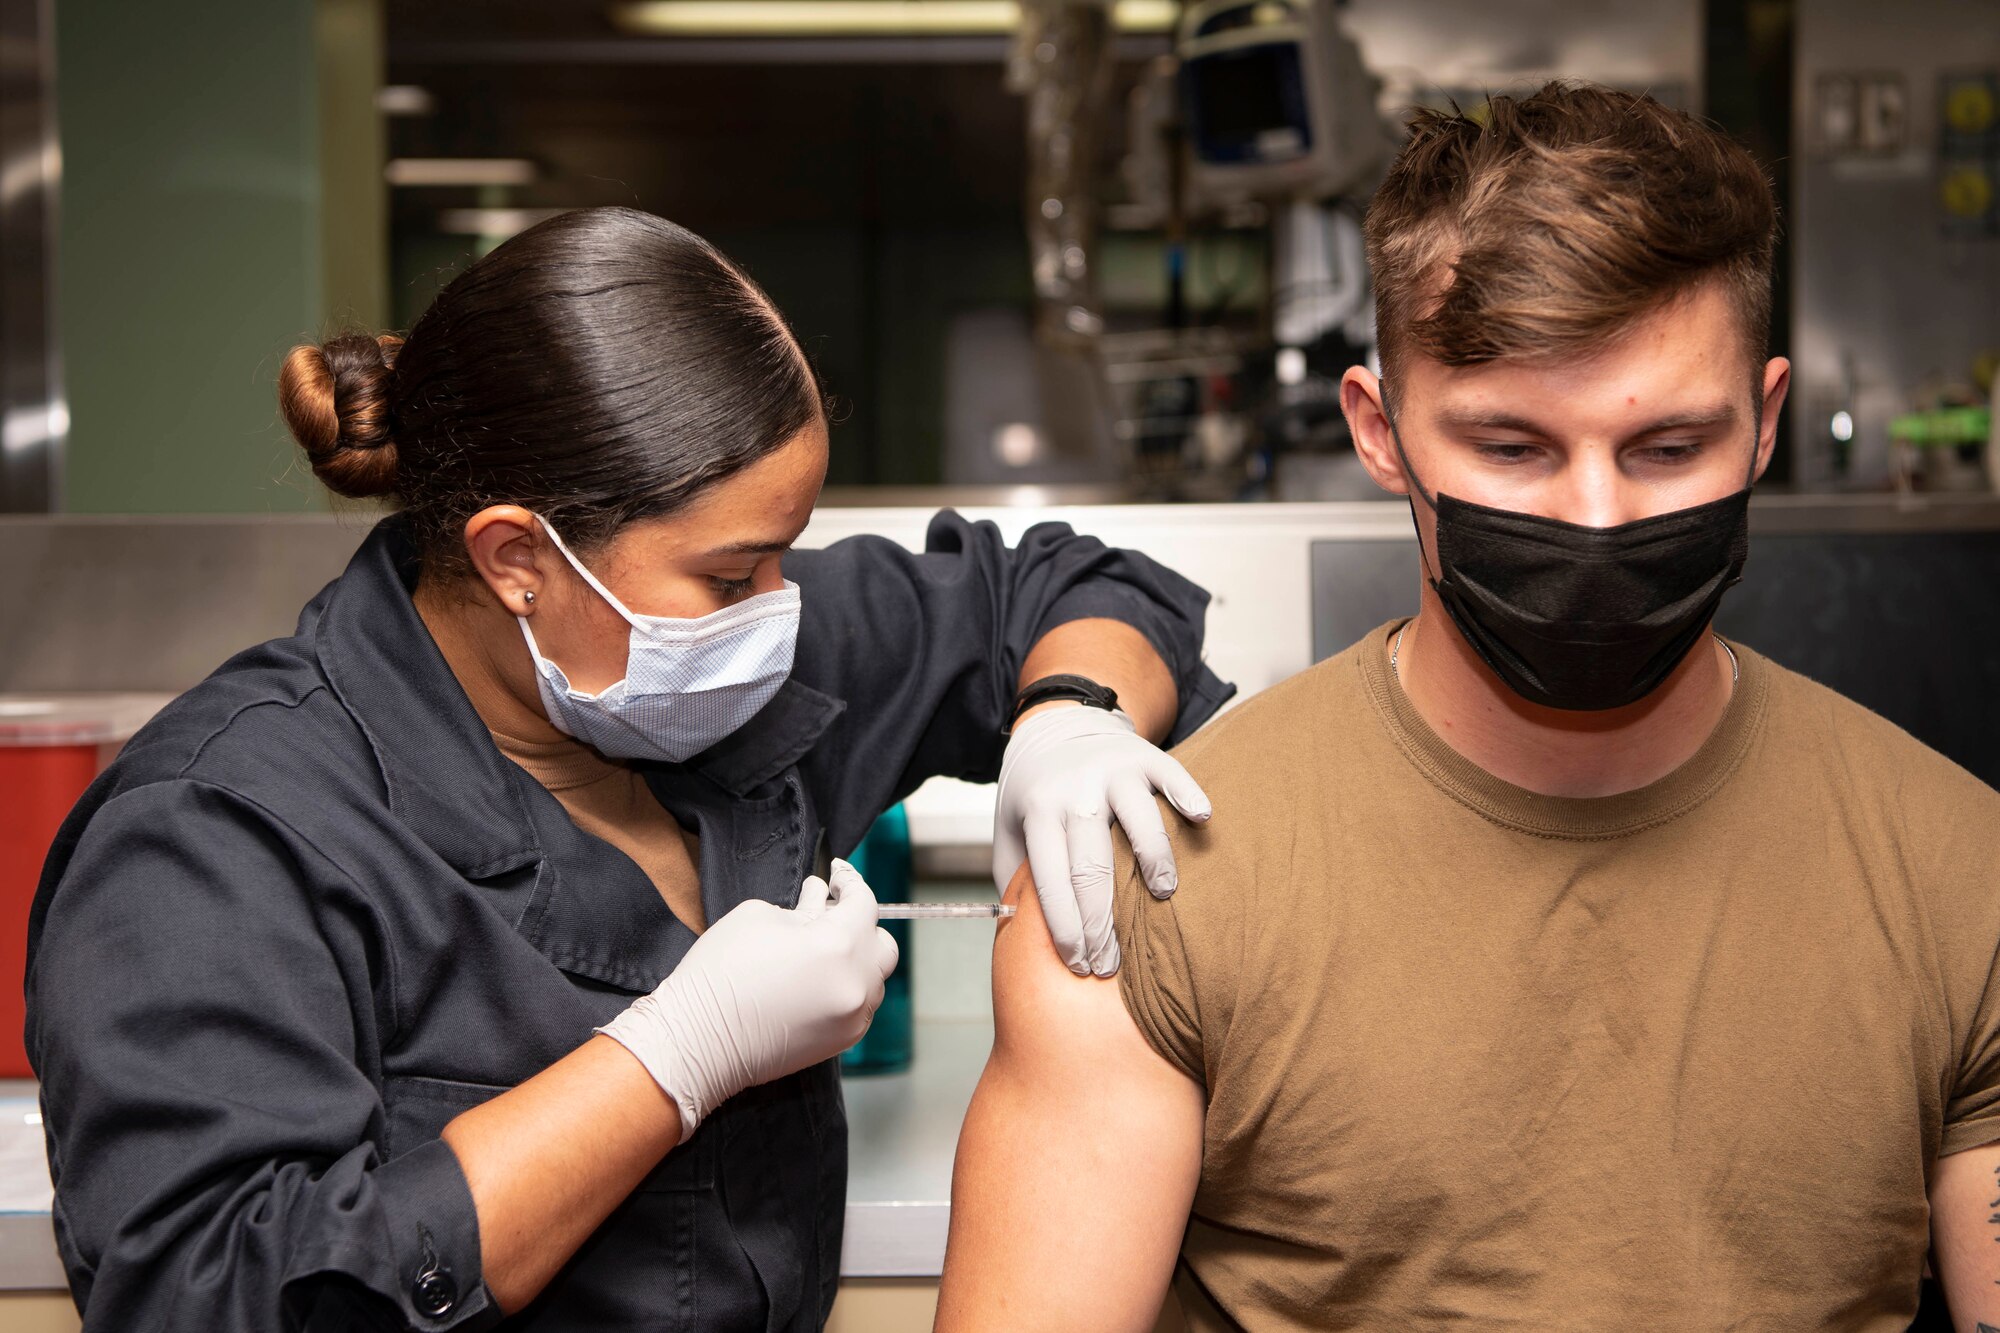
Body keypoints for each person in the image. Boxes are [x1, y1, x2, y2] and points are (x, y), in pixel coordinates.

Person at [25, 206, 1233, 1331]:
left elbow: (1071, 586)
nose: (776, 609)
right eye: (727, 577)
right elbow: (209, 1293)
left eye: (784, 555)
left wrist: (1073, 716)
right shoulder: (219, 830)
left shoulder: (741, 671)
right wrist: (669, 1058)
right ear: (515, 558)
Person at [938, 83, 2000, 1331]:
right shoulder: (1156, 891)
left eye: (1666, 449)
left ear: (1762, 424)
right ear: (1379, 433)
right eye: (1509, 448)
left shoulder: (1956, 870)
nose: (1595, 520)